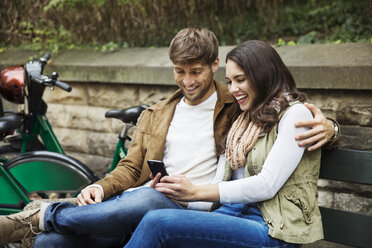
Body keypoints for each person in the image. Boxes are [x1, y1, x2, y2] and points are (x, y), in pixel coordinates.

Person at [0, 29, 338, 247]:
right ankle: (44, 220)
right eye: (180, 72)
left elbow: (292, 133)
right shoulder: (166, 114)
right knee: (50, 245)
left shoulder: (235, 109)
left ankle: (44, 214)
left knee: (153, 212)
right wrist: (102, 187)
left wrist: (332, 128)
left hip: (241, 219)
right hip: (180, 203)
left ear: (213, 66)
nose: (188, 81)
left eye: (196, 72)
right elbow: (131, 167)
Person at [124, 40, 327, 248]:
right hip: (230, 214)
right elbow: (219, 183)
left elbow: (266, 185)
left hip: (271, 227)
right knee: (155, 215)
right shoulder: (240, 121)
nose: (233, 89)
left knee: (158, 223)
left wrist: (195, 191)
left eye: (240, 80)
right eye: (229, 81)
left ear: (263, 76)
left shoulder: (296, 114)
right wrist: (181, 195)